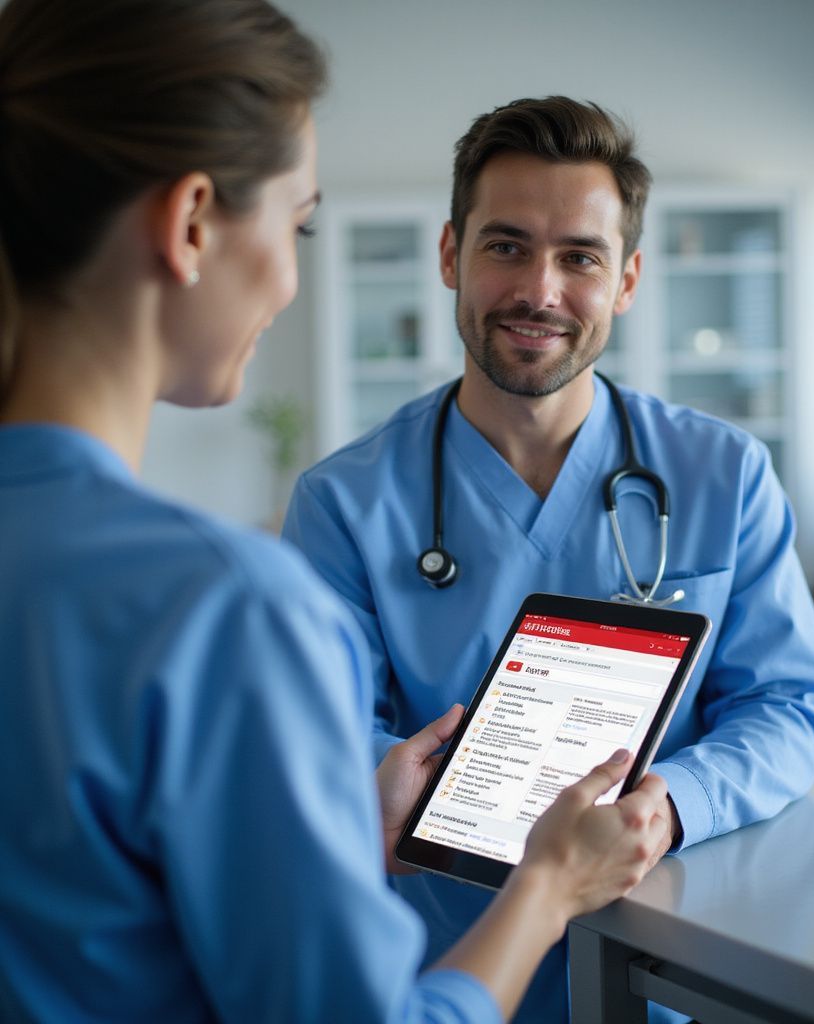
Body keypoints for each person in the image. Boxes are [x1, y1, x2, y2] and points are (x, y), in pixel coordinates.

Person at [0, 6, 670, 1022]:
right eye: (297, 223)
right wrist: (548, 886)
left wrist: (345, 820)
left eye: (579, 256)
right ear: (189, 225)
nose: (287, 273)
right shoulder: (223, 608)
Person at [284, 96, 814, 1023]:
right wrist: (407, 779)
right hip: (441, 969)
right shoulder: (343, 502)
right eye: (506, 246)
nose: (539, 290)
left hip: (670, 964)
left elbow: (787, 704)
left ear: (625, 280)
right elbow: (322, 728)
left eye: (579, 256)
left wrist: (673, 800)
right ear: (451, 255)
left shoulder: (723, 473)